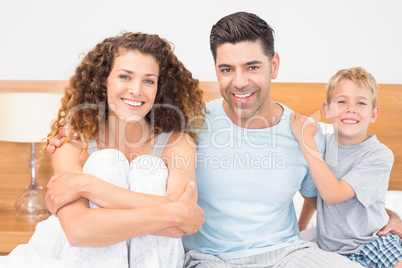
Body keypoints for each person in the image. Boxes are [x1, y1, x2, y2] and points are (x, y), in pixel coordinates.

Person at [47, 12, 402, 267]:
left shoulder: (304, 130)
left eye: (252, 67)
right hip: (209, 259)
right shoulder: (189, 123)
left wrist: (388, 213)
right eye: (226, 69)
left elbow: (329, 195)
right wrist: (75, 132)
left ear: (273, 65)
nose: (240, 81)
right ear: (215, 69)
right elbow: (129, 128)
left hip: (286, 254)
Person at [4, 32, 206, 268]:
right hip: (87, 260)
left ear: (159, 89)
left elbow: (183, 225)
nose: (136, 90)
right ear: (103, 82)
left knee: (147, 168)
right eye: (125, 77)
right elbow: (79, 231)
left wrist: (90, 186)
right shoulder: (71, 143)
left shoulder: (178, 143)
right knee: (106, 161)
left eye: (148, 80)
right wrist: (169, 213)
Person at [290, 66, 402, 268]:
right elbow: (314, 193)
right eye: (342, 101)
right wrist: (299, 231)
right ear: (326, 110)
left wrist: (306, 141)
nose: (351, 108)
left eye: (361, 102)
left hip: (374, 241)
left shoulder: (378, 155)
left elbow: (333, 194)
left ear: (374, 113)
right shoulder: (321, 146)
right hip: (333, 251)